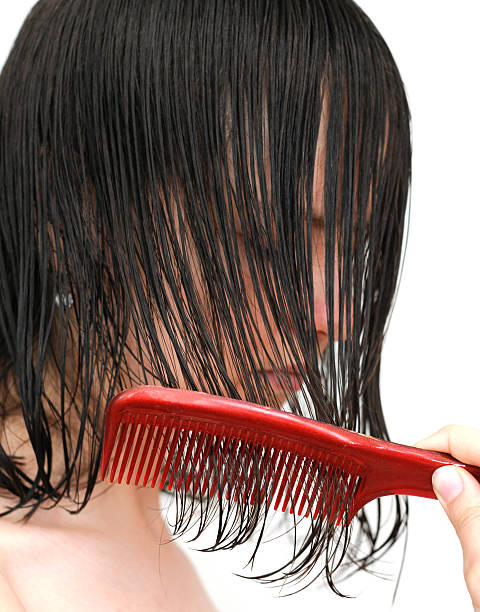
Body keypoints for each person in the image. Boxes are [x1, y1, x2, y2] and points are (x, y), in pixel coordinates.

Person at [0, 0, 477, 610]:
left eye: (350, 248)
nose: (336, 318)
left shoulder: (132, 526)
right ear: (69, 220)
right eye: (276, 240)